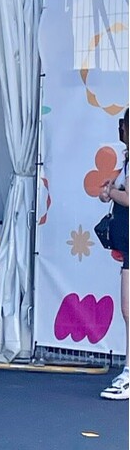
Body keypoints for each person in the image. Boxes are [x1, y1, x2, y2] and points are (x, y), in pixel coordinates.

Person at [99, 108, 129, 399]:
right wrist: (109, 190)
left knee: (128, 309)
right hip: (125, 243)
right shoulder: (126, 161)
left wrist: (112, 193)